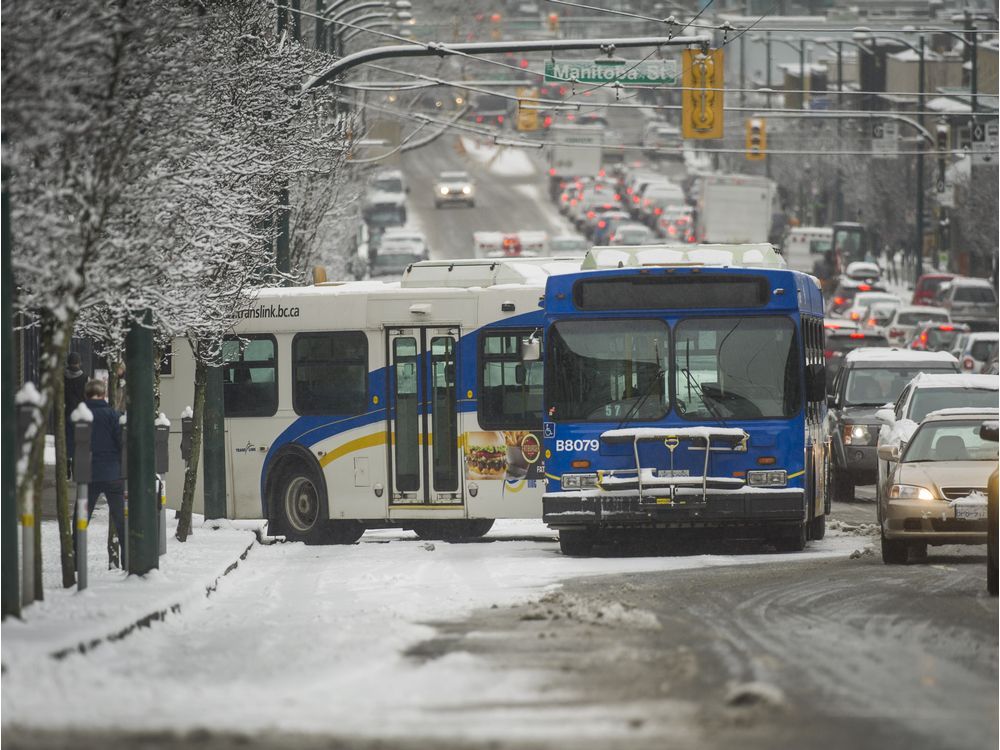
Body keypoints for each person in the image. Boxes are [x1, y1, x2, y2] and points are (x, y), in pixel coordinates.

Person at [74, 379, 126, 565]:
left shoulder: (79, 416)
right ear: (103, 395)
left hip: (87, 475)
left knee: (80, 519)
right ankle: (127, 562)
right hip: (113, 474)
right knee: (121, 521)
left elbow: (71, 443)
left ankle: (77, 562)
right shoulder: (113, 415)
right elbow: (121, 444)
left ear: (86, 395)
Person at [64, 352, 87, 478]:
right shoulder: (84, 377)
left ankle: (66, 463)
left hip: (66, 412)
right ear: (79, 362)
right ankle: (76, 468)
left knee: (67, 440)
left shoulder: (63, 376)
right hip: (80, 413)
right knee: (79, 441)